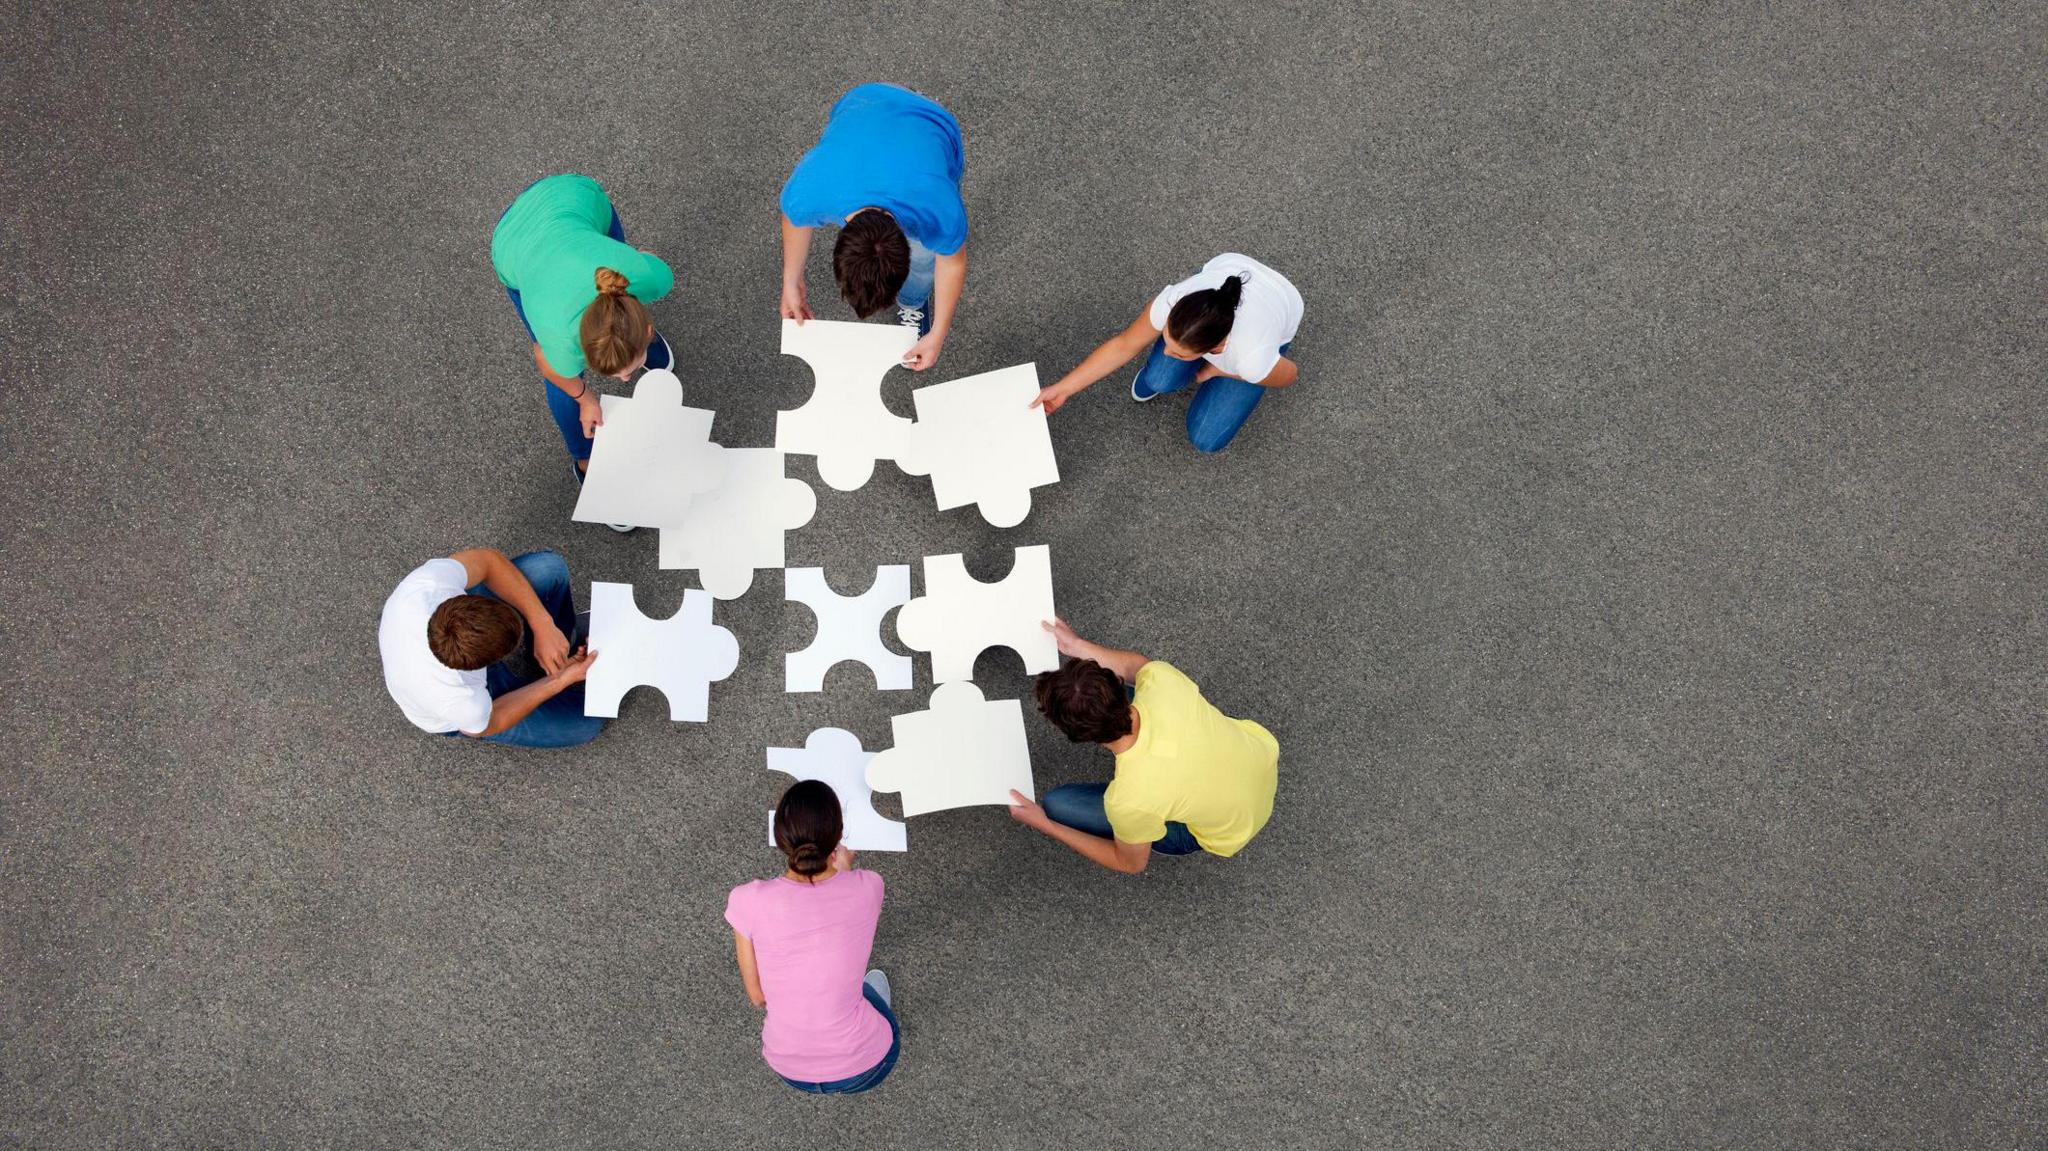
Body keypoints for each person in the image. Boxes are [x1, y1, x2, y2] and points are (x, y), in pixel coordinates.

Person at [1007, 618, 1279, 873]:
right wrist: (1077, 646)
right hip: (1258, 755)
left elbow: (1130, 863)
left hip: (1228, 830)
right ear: (1112, 683)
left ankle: (1166, 827)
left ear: (1080, 737)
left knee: (1057, 805)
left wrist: (1046, 825)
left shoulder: (1128, 801)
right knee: (1148, 685)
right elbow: (1135, 666)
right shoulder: (1163, 680)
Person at [491, 173, 677, 511]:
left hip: (575, 197)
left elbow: (643, 261)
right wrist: (584, 397)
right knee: (565, 390)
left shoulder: (647, 278)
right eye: (619, 374)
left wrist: (623, 259)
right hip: (514, 245)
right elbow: (544, 360)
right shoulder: (559, 339)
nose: (625, 381)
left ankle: (634, 346)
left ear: (647, 330)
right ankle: (585, 461)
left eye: (627, 369)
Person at [726, 781, 901, 1094]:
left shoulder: (746, 900)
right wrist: (845, 870)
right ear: (838, 838)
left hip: (789, 1068)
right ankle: (872, 1005)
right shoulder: (869, 886)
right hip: (866, 1064)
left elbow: (758, 996)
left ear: (782, 837)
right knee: (861, 995)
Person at [779, 82, 967, 372]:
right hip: (866, 102)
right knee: (930, 251)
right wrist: (790, 280)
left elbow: (952, 263)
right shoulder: (811, 191)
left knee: (925, 258)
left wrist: (937, 334)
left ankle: (913, 302)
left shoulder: (937, 205)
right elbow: (793, 217)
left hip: (929, 121)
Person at [1032, 252, 1303, 453]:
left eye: (1180, 354)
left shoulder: (1252, 359)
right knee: (1161, 377)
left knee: (1206, 440)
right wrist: (1064, 388)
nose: (1168, 352)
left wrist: (1222, 370)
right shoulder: (1173, 301)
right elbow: (1124, 344)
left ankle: (1212, 372)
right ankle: (1175, 360)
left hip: (1281, 306)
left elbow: (1289, 375)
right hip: (1230, 274)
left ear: (1215, 349)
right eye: (1166, 339)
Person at [377, 548, 603, 747]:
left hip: (456, 657)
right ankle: (552, 669)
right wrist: (559, 680)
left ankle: (559, 648)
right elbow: (492, 722)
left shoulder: (428, 586)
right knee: (586, 724)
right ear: (490, 663)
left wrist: (542, 624)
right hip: (470, 710)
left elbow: (488, 561)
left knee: (548, 568)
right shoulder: (462, 701)